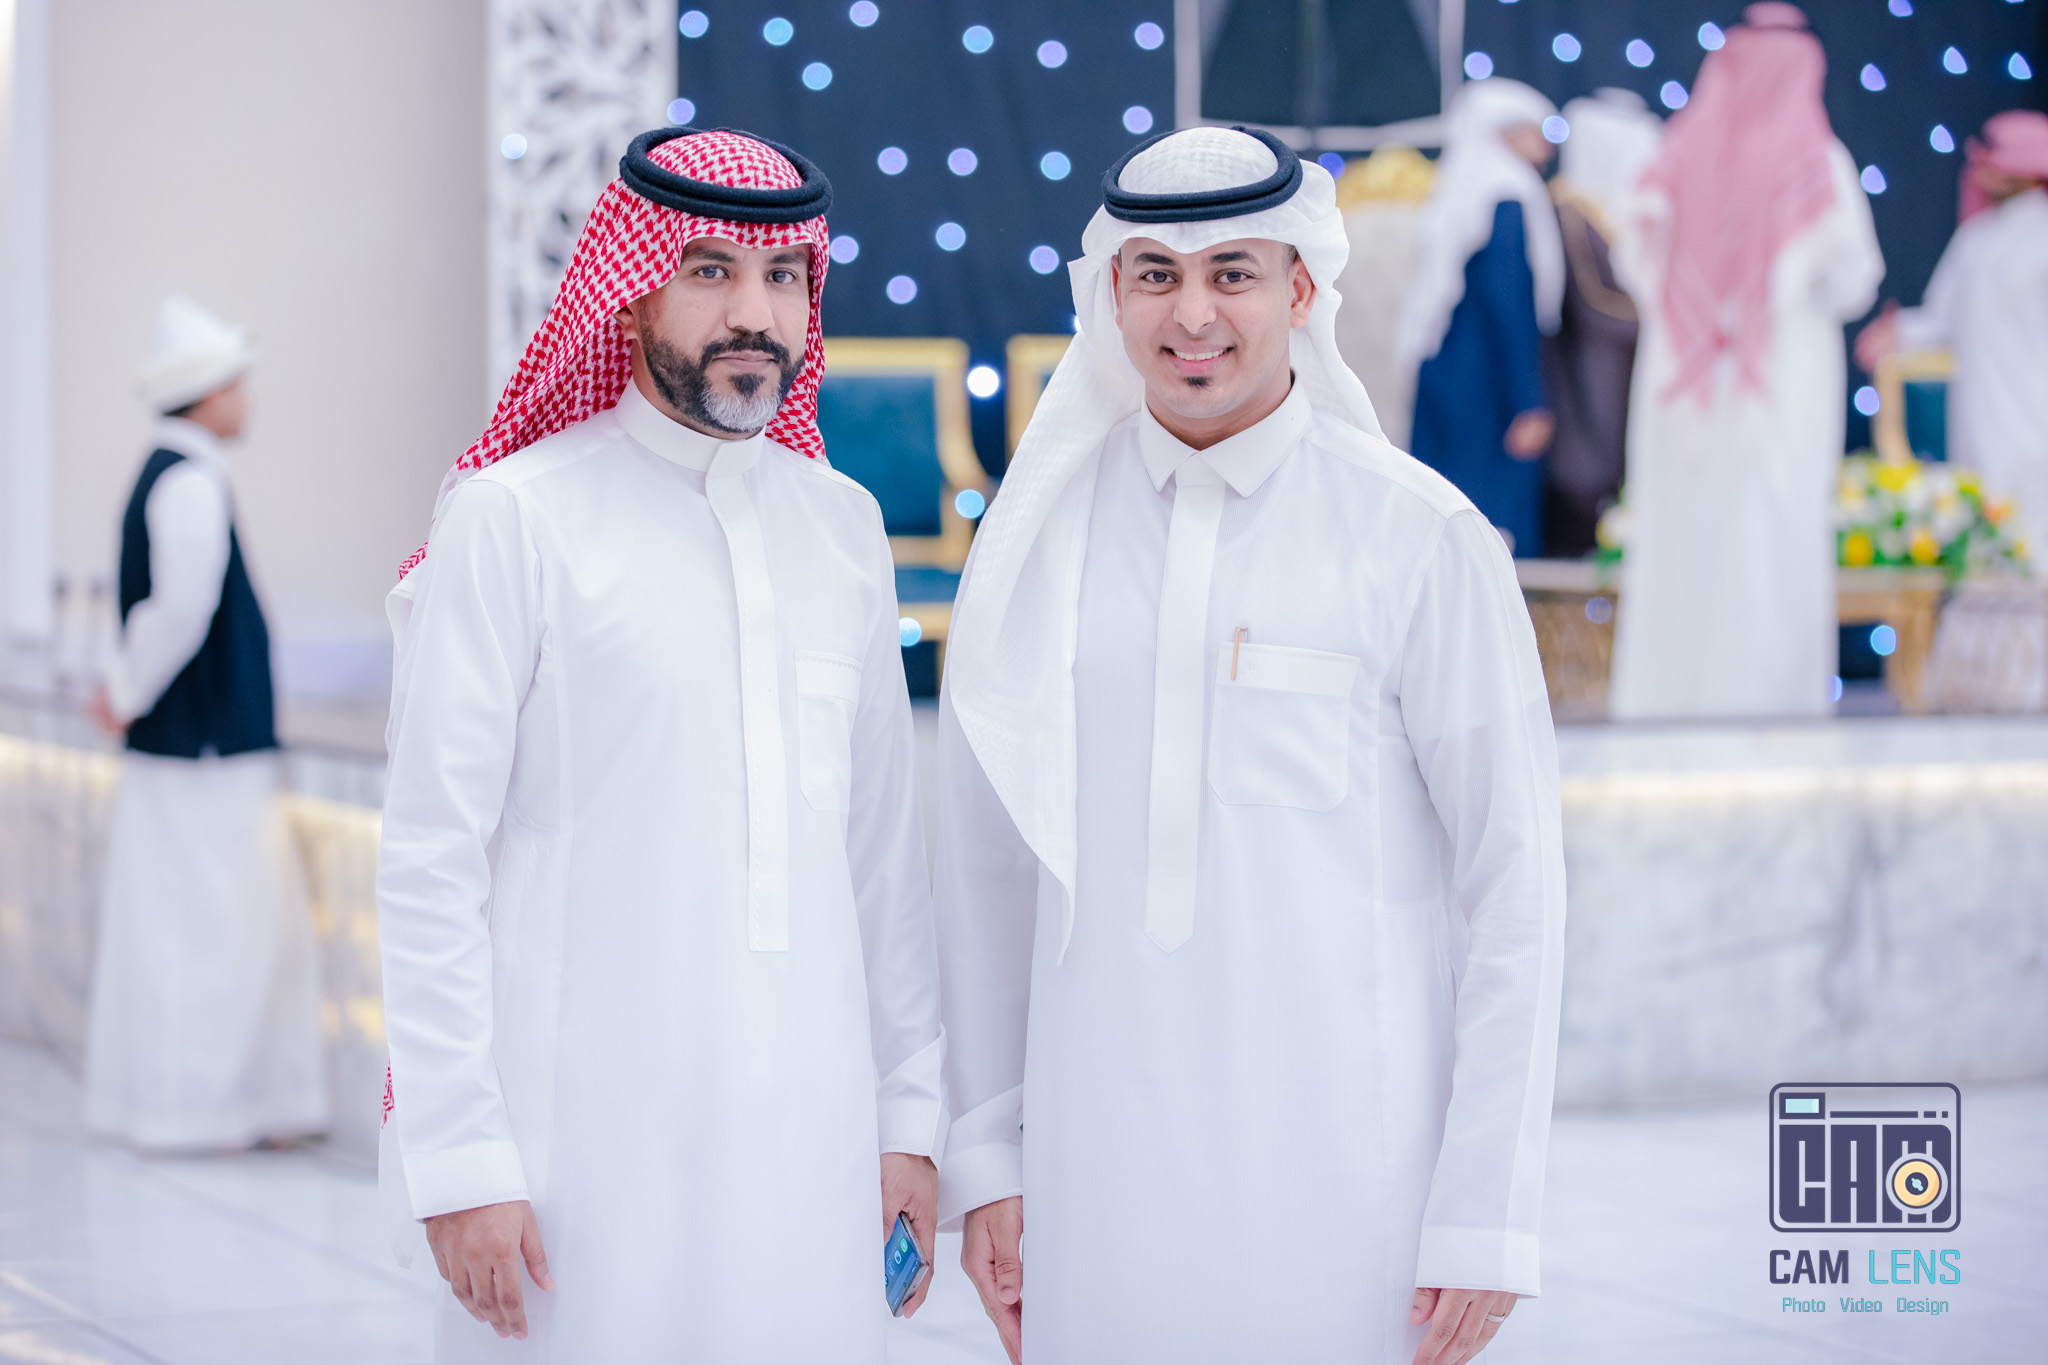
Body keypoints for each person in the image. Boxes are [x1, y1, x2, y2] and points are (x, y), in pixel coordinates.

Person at [933, 126, 1566, 1365]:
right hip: (1094, 1176)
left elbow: (1514, 883)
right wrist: (985, 1153)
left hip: (1352, 1178)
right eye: (1155, 275)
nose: (1192, 314)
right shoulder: (1037, 543)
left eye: (1232, 272)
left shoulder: (1417, 535)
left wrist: (1485, 1207)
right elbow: (985, 873)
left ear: (1301, 289)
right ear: (1110, 295)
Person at [375, 127, 944, 1360]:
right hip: (578, 1150)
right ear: (630, 289)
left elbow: (883, 865)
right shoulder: (514, 518)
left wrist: (911, 1121)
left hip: (810, 1132)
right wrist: (459, 1156)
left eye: (782, 276)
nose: (753, 314)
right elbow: (429, 861)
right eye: (708, 271)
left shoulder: (843, 528)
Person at [83, 294, 327, 1151]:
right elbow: (180, 609)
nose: (248, 399)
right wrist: (125, 688)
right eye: (239, 384)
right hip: (203, 750)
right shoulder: (189, 480)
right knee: (211, 928)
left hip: (192, 747)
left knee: (195, 922)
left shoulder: (176, 473)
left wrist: (125, 688)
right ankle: (203, 1110)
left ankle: (222, 1105)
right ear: (210, 393)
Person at [1607, 3, 1883, 720]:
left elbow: (1633, 260)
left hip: (1679, 385)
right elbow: (1854, 281)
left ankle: (1667, 707)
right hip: (1777, 384)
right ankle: (1765, 712)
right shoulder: (1818, 163)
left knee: (1679, 540)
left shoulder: (1673, 155)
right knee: (1768, 537)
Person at [1856, 110, 2048, 538]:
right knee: (1989, 538)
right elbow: (1942, 321)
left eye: (1994, 157)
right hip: (1982, 420)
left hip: (2038, 418)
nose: (1981, 167)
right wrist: (1898, 332)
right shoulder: (1974, 239)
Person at [1400, 78, 1564, 557]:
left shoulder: (1459, 188)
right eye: (1534, 132)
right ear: (1504, 131)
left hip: (1445, 367)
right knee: (1487, 534)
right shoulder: (1507, 194)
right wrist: (1528, 400)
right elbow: (1508, 301)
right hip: (1486, 384)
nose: (1545, 149)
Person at [1541, 91, 1661, 558]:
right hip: (1584, 368)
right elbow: (1592, 302)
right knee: (1586, 474)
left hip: (1622, 365)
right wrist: (1659, 323)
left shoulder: (1611, 212)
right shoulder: (1570, 211)